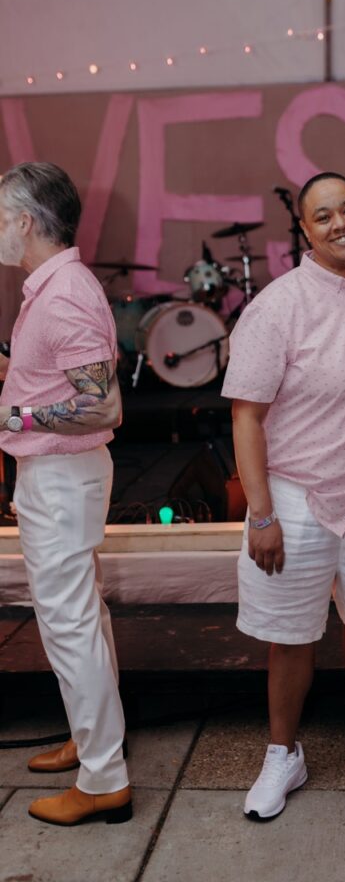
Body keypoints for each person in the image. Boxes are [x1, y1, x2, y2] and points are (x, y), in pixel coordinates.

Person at [222, 171, 345, 821]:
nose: (341, 224)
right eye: (323, 216)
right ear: (303, 230)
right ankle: (283, 753)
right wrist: (260, 513)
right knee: (292, 636)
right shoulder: (277, 307)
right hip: (296, 494)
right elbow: (246, 415)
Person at [0, 162, 130, 827]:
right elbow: (58, 381)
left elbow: (103, 407)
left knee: (71, 623)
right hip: (55, 476)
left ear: (25, 221)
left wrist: (14, 417)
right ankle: (91, 740)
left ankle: (105, 777)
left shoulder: (63, 293)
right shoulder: (52, 289)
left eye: (0, 216)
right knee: (81, 619)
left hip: (60, 477)